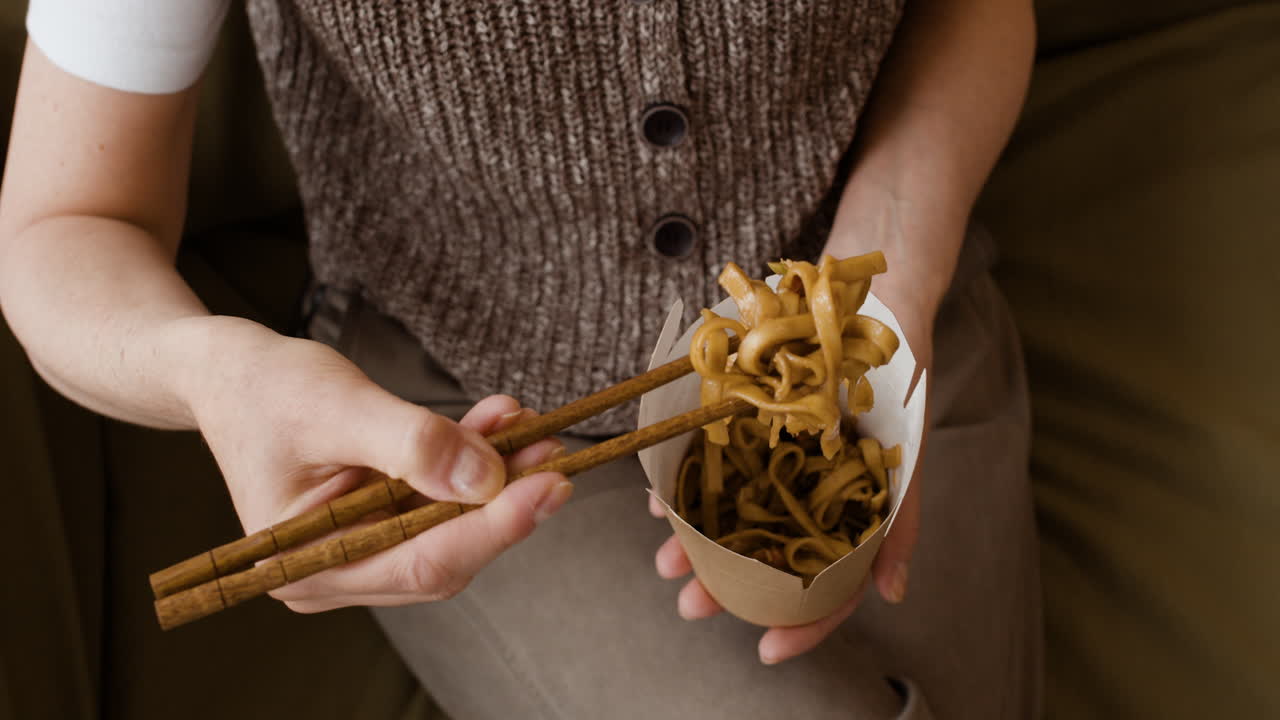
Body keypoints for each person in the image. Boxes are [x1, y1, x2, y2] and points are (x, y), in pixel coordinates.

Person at [0, 1, 1040, 718]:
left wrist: (887, 289)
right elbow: (66, 223)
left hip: (865, 308)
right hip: (458, 408)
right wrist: (213, 372)